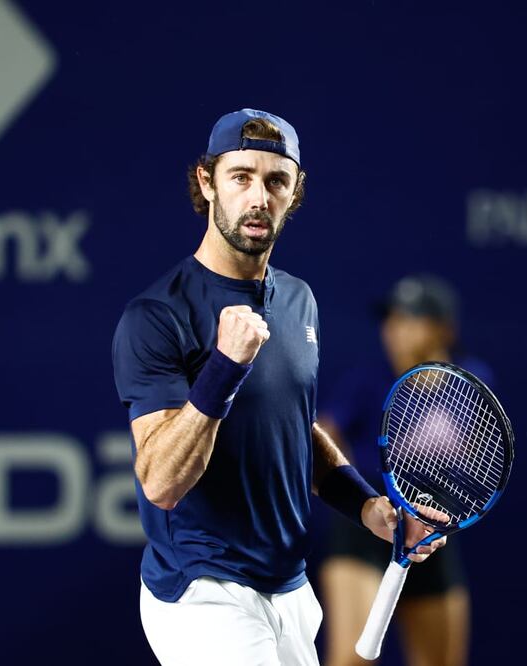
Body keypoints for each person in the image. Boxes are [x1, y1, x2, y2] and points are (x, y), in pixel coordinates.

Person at [111, 109, 446, 666]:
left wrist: (366, 507)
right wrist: (224, 366)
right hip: (203, 591)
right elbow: (161, 483)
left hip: (289, 589)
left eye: (276, 181)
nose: (258, 197)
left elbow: (294, 427)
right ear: (207, 182)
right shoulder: (156, 315)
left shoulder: (298, 300)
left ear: (294, 193)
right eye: (240, 177)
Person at [318, 274, 492, 666]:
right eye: (391, 319)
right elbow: (325, 434)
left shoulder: (472, 381)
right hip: (364, 529)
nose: (395, 330)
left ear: (444, 329)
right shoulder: (366, 380)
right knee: (351, 660)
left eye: (411, 319)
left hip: (432, 532)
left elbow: (478, 455)